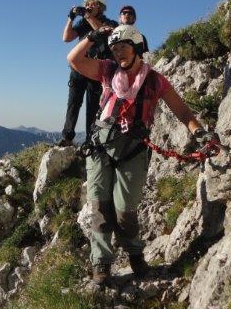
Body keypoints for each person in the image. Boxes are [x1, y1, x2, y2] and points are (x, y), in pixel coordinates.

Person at [67, 24, 206, 285]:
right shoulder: (108, 71)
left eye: (124, 47)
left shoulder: (155, 81)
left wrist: (199, 132)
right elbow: (74, 60)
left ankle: (135, 256)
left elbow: (182, 112)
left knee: (124, 211)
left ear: (137, 48)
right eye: (115, 48)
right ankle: (101, 264)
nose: (118, 52)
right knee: (99, 208)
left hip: (133, 150)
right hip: (100, 148)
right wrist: (93, 37)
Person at [57, 0, 118, 147]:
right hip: (79, 67)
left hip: (96, 69)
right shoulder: (84, 23)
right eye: (87, 3)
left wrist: (87, 15)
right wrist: (70, 18)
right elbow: (66, 38)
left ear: (100, 7)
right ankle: (67, 137)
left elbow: (104, 33)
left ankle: (90, 140)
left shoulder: (109, 23)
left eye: (92, 3)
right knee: (73, 102)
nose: (88, 6)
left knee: (93, 106)